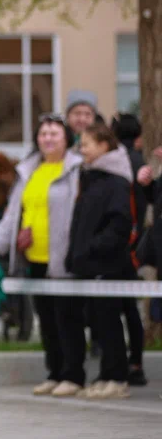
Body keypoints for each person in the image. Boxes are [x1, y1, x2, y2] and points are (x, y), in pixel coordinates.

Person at [0, 114, 84, 397]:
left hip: (64, 258)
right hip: (35, 258)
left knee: (68, 318)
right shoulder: (30, 171)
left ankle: (73, 374)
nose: (48, 139)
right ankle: (54, 372)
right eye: (43, 134)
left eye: (54, 134)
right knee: (48, 318)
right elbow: (13, 214)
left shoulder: (76, 170)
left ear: (66, 139)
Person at [67, 121, 137, 399]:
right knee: (98, 322)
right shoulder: (90, 178)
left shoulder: (117, 182)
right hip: (89, 265)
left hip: (108, 265)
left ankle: (117, 376)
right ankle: (106, 373)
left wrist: (92, 248)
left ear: (104, 146)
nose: (81, 150)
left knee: (110, 321)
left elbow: (119, 225)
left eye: (86, 144)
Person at [111, 112, 150, 387]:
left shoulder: (117, 162)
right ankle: (135, 362)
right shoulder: (139, 162)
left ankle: (118, 363)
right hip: (134, 244)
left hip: (119, 246)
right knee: (131, 309)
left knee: (114, 307)